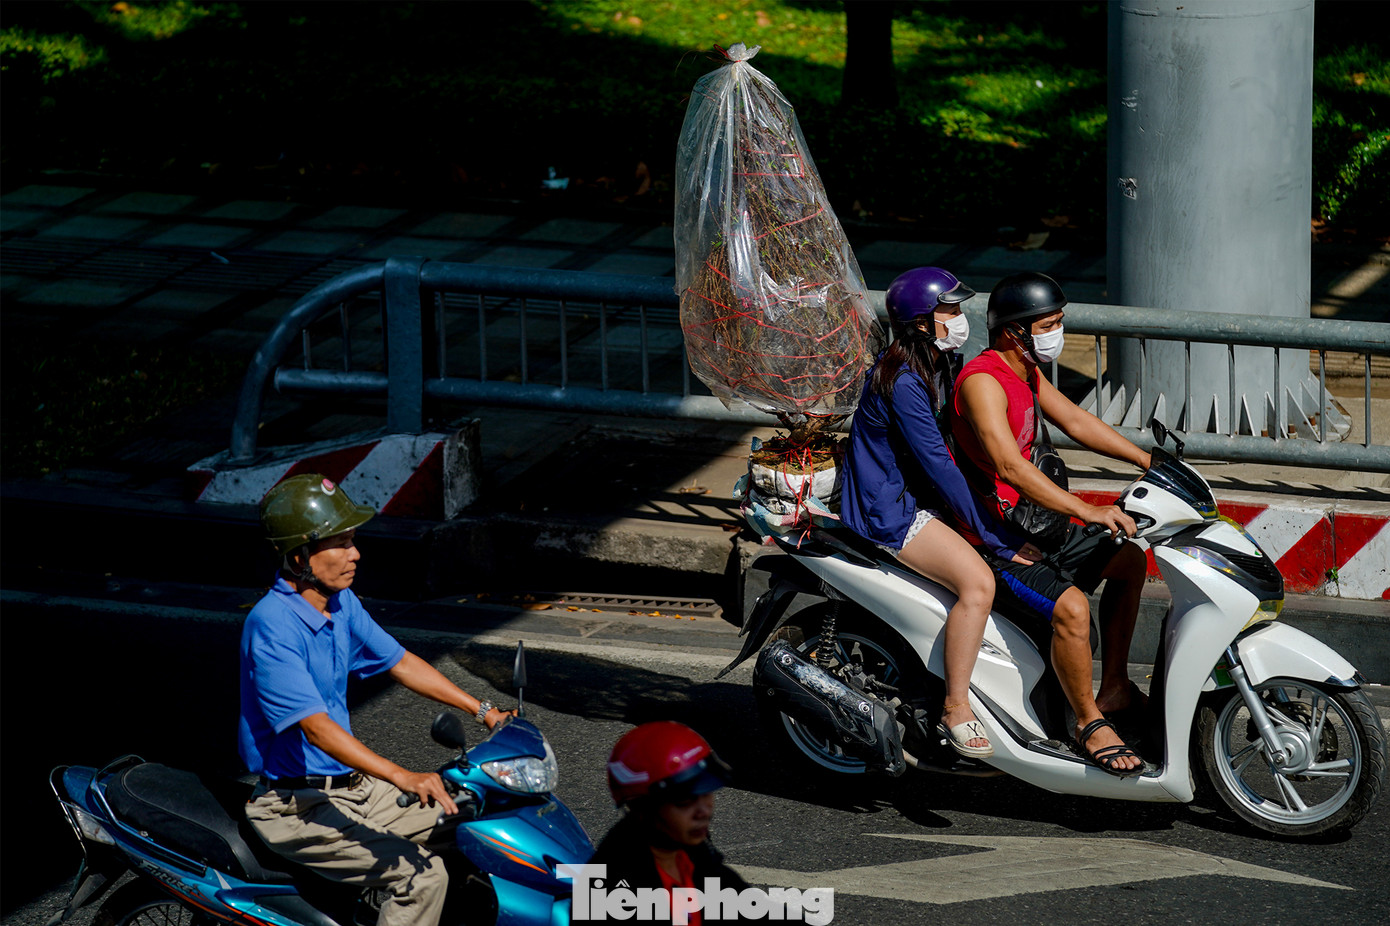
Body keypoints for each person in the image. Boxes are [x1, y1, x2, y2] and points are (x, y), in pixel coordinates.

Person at [239, 473, 508, 926]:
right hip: (298, 806)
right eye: (340, 543)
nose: (355, 553)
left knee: (477, 821)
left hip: (357, 790)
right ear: (300, 554)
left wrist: (483, 711)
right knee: (422, 878)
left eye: (353, 540)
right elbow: (316, 728)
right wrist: (402, 775)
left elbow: (400, 662)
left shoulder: (340, 604)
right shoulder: (272, 626)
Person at [951, 271, 1151, 777]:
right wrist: (1086, 509)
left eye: (1059, 322)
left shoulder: (1027, 373)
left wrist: (1148, 461)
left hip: (1039, 524)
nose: (1056, 333)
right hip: (998, 539)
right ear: (1013, 332)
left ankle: (1116, 687)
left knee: (1129, 561)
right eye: (1049, 324)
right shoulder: (981, 382)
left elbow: (1078, 422)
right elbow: (1010, 465)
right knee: (1073, 608)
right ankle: (1088, 722)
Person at [841, 266, 1040, 760]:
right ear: (922, 322)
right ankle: (955, 707)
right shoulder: (903, 379)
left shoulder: (940, 363)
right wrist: (993, 535)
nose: (959, 317)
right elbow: (940, 463)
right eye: (949, 309)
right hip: (887, 509)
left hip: (917, 495)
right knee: (979, 584)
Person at [589, 722, 749, 925]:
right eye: (684, 802)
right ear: (641, 808)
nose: (704, 811)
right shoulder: (611, 894)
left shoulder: (695, 857)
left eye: (706, 792)